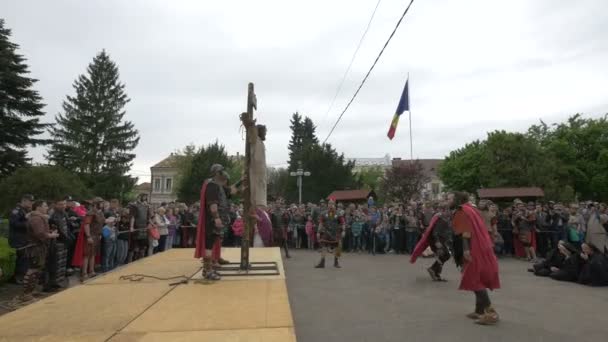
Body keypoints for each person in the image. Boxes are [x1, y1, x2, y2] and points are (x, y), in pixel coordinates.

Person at [449, 191, 500, 325]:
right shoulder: (471, 209)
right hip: (477, 246)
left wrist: (465, 249)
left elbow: (466, 230)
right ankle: (479, 310)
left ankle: (491, 313)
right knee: (475, 278)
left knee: (475, 279)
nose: (447, 200)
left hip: (471, 249)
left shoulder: (462, 210)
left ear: (457, 199)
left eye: (449, 198)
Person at [194, 164, 233, 281]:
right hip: (212, 221)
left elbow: (232, 191)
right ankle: (207, 271)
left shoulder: (218, 186)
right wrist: (216, 218)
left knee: (212, 243)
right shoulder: (212, 185)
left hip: (217, 220)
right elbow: (213, 205)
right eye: (222, 171)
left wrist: (242, 180)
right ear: (217, 173)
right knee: (209, 245)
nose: (225, 173)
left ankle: (210, 268)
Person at [20, 201, 59, 302]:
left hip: (39, 247)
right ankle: (26, 294)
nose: (47, 208)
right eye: (45, 206)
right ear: (38, 207)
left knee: (37, 270)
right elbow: (40, 234)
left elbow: (41, 232)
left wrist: (49, 233)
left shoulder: (39, 217)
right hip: (35, 247)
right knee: (32, 270)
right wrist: (51, 235)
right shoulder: (36, 218)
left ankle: (31, 291)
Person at [411, 202, 453, 281]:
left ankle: (436, 273)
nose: (450, 212)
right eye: (448, 210)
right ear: (444, 210)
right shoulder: (440, 218)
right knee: (445, 255)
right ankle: (433, 270)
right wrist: (437, 242)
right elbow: (435, 231)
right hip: (437, 241)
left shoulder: (445, 218)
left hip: (442, 240)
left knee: (444, 256)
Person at [73, 198, 105, 282]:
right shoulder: (91, 213)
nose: (102, 205)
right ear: (96, 204)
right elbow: (86, 225)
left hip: (97, 236)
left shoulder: (100, 213)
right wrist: (88, 236)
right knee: (86, 255)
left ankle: (92, 271)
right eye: (101, 203)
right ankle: (84, 273)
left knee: (93, 254)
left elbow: (101, 224)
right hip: (91, 236)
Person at [46, 199, 73, 291]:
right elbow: (58, 229)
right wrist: (66, 238)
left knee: (62, 263)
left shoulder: (64, 213)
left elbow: (67, 226)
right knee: (56, 264)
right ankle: (54, 282)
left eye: (64, 204)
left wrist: (69, 237)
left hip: (65, 242)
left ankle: (60, 280)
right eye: (60, 204)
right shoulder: (54, 215)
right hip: (57, 242)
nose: (63, 206)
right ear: (56, 205)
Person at [8, 194, 34, 284]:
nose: (31, 203)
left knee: (24, 258)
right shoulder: (16, 211)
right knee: (21, 258)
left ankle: (21, 276)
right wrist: (27, 222)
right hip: (17, 238)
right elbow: (14, 224)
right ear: (24, 201)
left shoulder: (24, 210)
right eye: (30, 201)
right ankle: (17, 278)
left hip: (24, 238)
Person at [315, 200, 345, 268]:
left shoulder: (338, 214)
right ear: (327, 205)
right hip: (326, 232)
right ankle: (322, 263)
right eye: (329, 204)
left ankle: (336, 262)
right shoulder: (323, 213)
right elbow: (321, 223)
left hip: (335, 233)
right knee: (323, 247)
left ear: (334, 205)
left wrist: (343, 230)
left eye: (332, 204)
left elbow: (343, 223)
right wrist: (318, 232)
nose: (330, 205)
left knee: (337, 248)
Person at [129, 194, 151, 261]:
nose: (145, 199)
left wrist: (151, 224)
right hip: (137, 227)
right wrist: (131, 226)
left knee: (143, 246)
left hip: (144, 228)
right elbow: (133, 217)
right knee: (135, 246)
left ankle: (141, 260)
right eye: (143, 197)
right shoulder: (135, 206)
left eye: (145, 198)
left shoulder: (146, 207)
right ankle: (132, 260)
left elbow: (148, 218)